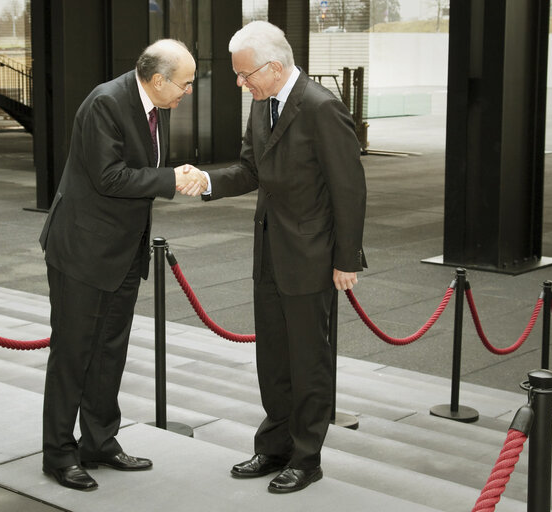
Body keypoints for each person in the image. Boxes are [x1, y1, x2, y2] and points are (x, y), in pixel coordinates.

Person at [193, 21, 366, 493]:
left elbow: (348, 188)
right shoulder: (260, 102)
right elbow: (252, 170)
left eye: (244, 74)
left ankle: (307, 457)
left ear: (273, 67)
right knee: (273, 357)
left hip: (312, 256)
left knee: (309, 361)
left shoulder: (321, 107)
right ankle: (274, 447)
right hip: (269, 250)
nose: (239, 82)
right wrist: (206, 181)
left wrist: (346, 258)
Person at [38, 39, 206, 492]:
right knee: (73, 354)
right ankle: (58, 453)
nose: (189, 91)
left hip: (124, 252)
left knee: (110, 351)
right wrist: (173, 178)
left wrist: (169, 177)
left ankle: (99, 441)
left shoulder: (155, 106)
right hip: (83, 253)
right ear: (158, 80)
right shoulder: (106, 103)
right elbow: (109, 176)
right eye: (186, 83)